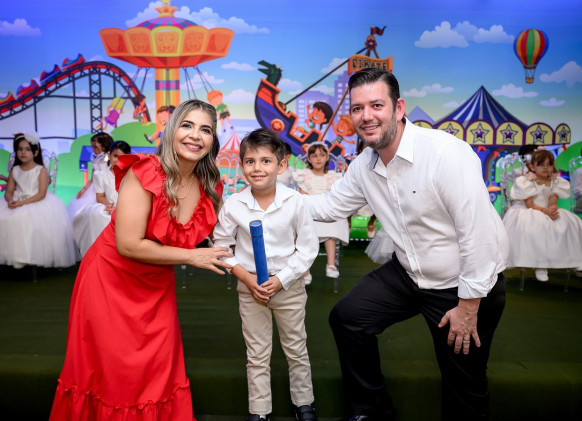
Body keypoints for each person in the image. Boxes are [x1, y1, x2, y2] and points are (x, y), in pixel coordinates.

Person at [303, 68, 509, 421]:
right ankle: (371, 412)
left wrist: (468, 305)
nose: (366, 116)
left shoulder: (445, 153)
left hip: (464, 283)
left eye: (376, 105)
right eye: (357, 108)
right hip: (409, 273)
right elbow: (328, 207)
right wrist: (268, 200)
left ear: (398, 108)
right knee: (348, 318)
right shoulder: (363, 165)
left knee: (464, 384)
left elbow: (479, 234)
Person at [49, 99, 232, 421]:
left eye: (205, 129)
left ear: (212, 140)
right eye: (187, 125)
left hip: (156, 283)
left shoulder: (209, 186)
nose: (195, 135)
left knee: (157, 371)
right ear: (171, 130)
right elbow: (128, 245)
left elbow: (221, 245)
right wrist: (191, 256)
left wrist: (253, 278)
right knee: (115, 376)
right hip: (110, 281)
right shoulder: (144, 171)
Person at [212, 128, 319, 421]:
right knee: (257, 352)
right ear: (242, 166)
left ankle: (304, 403)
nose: (257, 168)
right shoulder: (234, 205)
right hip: (250, 288)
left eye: (265, 161)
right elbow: (221, 246)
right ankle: (259, 410)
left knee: (296, 348)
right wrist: (247, 279)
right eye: (250, 161)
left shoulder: (295, 201)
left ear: (281, 166)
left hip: (289, 286)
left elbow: (308, 249)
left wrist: (282, 279)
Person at [0, 132, 77, 269]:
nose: (23, 152)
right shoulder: (15, 170)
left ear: (35, 153)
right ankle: (10, 255)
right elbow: (9, 191)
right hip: (17, 200)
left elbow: (41, 194)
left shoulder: (40, 170)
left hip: (36, 201)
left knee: (23, 218)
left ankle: (26, 257)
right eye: (20, 149)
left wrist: (21, 203)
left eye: (27, 149)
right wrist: (10, 200)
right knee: (4, 218)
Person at [502, 149, 582, 281]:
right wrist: (545, 211)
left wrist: (552, 210)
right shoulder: (526, 181)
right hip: (531, 209)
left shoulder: (556, 182)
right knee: (537, 226)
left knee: (571, 224)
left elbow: (553, 200)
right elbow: (529, 204)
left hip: (547, 209)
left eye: (549, 164)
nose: (545, 168)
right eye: (541, 164)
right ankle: (540, 264)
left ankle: (576, 260)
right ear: (532, 166)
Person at [294, 142, 349, 281]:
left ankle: (331, 264)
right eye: (314, 156)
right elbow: (302, 196)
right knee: (304, 232)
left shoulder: (333, 176)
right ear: (309, 159)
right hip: (309, 212)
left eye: (322, 155)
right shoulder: (304, 175)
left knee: (331, 229)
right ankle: (305, 270)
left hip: (327, 211)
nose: (318, 158)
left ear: (327, 157)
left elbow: (335, 197)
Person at [72, 140, 131, 256]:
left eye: (123, 157)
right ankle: (99, 252)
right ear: (109, 155)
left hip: (127, 206)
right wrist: (109, 206)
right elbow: (100, 196)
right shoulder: (100, 175)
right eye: (115, 156)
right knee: (98, 215)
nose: (118, 160)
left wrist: (119, 209)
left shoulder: (131, 175)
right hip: (108, 204)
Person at [67, 132, 113, 219]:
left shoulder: (110, 158)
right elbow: (93, 177)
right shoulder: (94, 158)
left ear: (104, 144)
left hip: (107, 186)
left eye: (95, 146)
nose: (93, 149)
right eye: (92, 146)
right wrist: (84, 189)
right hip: (95, 187)